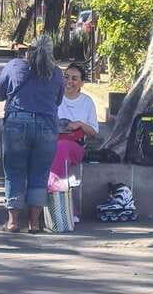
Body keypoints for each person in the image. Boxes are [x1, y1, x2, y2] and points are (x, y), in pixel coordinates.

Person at [0, 35, 64, 233]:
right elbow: (57, 101)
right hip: (47, 126)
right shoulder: (57, 73)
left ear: (28, 50)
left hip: (17, 123)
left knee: (14, 171)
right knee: (40, 174)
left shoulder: (14, 66)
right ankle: (34, 223)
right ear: (51, 53)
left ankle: (13, 222)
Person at [48, 62, 98, 217]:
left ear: (82, 83)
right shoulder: (54, 98)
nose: (69, 81)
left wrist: (80, 125)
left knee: (62, 147)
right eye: (67, 77)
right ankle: (65, 209)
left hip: (75, 146)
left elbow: (94, 132)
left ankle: (54, 185)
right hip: (52, 142)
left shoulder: (87, 102)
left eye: (75, 78)